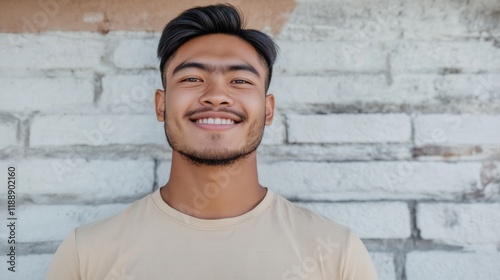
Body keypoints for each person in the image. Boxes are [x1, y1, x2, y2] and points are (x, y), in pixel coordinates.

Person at [45, 4, 378, 280]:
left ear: (268, 108)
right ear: (161, 104)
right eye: (192, 78)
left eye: (240, 80)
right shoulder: (86, 255)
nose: (217, 95)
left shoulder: (336, 253)